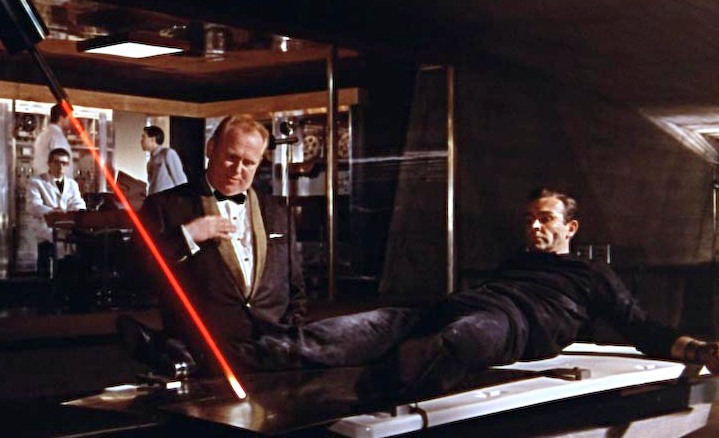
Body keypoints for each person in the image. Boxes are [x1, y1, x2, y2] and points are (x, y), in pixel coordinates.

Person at [222, 187, 719, 396]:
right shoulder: (516, 261)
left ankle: (372, 394)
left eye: (545, 219)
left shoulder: (592, 275)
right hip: (459, 306)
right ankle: (221, 357)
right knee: (345, 331)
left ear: (571, 227)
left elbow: (641, 327)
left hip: (510, 325)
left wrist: (698, 349)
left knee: (461, 339)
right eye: (530, 219)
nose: (535, 227)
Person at [137, 114, 306, 370]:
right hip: (203, 358)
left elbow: (295, 289)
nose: (237, 170)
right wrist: (187, 236)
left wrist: (289, 339)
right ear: (211, 148)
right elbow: (139, 273)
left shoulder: (278, 211)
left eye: (248, 163)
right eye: (231, 157)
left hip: (274, 357)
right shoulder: (165, 206)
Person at [26, 148, 86, 277]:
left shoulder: (72, 184)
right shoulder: (36, 182)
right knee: (55, 244)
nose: (60, 167)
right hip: (45, 225)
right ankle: (47, 280)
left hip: (66, 225)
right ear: (49, 163)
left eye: (64, 163)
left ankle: (66, 277)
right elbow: (33, 205)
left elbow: (78, 202)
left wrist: (78, 210)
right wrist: (53, 212)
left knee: (76, 244)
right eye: (57, 162)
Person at [140, 125, 188, 195]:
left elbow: (180, 181)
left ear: (152, 139)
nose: (141, 140)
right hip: (155, 199)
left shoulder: (168, 153)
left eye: (144, 137)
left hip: (168, 199)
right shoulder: (150, 161)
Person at [33, 103, 73, 177]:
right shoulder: (58, 138)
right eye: (69, 118)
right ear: (61, 118)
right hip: (55, 182)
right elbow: (60, 164)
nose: (71, 121)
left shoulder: (41, 136)